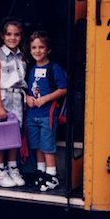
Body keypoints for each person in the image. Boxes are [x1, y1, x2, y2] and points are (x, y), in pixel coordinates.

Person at [26, 31, 67, 191]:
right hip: (32, 115)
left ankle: (52, 175)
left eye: (41, 47)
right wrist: (27, 98)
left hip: (47, 115)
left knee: (47, 145)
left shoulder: (53, 68)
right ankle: (41, 172)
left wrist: (45, 99)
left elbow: (63, 89)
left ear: (48, 50)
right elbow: (26, 88)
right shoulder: (30, 68)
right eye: (34, 47)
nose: (37, 51)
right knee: (36, 145)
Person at [0, 17, 28, 188]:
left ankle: (13, 168)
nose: (13, 38)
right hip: (3, 98)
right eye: (9, 34)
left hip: (17, 98)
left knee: (14, 134)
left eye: (16, 34)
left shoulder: (21, 55)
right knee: (1, 134)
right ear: (2, 36)